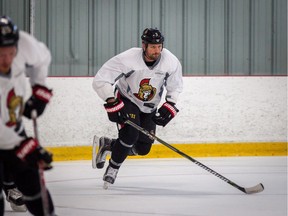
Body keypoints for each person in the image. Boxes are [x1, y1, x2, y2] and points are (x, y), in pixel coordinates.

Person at [92, 28, 183, 188]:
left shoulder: (170, 62)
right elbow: (100, 80)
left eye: (159, 46)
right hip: (127, 100)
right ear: (144, 45)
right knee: (129, 136)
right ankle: (113, 168)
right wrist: (111, 101)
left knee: (143, 148)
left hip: (150, 106)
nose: (157, 50)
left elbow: (175, 86)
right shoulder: (128, 59)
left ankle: (109, 145)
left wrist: (170, 104)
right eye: (153, 46)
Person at [0, 15, 55, 215]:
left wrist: (38, 86)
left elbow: (42, 58)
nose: (6, 60)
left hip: (13, 129)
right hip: (6, 136)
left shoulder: (23, 43)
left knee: (34, 186)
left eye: (11, 53)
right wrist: (24, 148)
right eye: (0, 54)